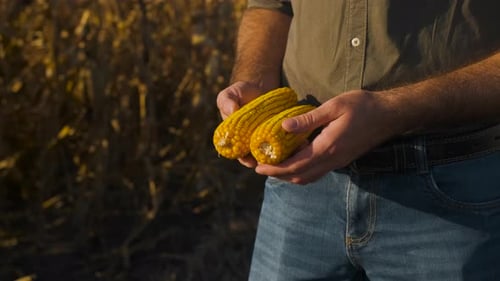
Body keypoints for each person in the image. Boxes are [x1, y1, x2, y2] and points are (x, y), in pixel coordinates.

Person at [216, 1, 500, 280]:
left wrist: (393, 111)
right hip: (300, 189)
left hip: (450, 198)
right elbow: (270, 7)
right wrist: (254, 83)